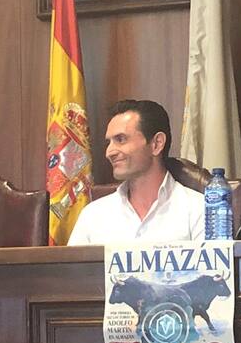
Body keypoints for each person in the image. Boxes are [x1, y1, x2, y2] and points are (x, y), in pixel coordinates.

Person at [68, 99, 204, 245]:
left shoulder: (198, 209)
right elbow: (73, 261)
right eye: (109, 142)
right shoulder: (93, 215)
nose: (109, 152)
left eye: (121, 139)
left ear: (156, 144)